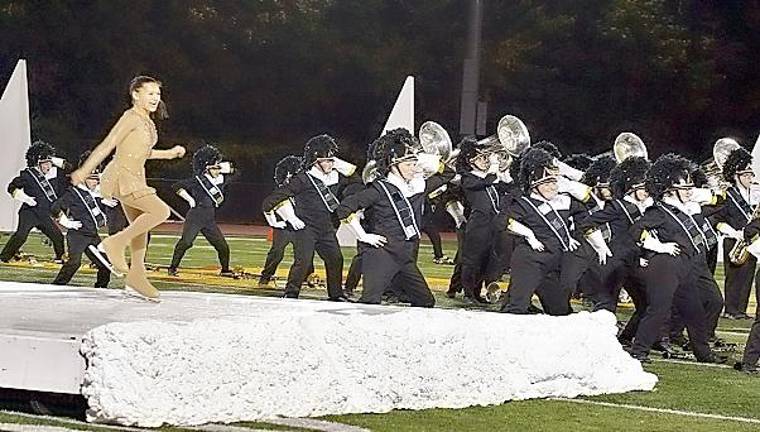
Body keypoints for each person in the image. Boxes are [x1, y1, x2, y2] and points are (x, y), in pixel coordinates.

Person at [71, 75, 186, 301]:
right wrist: (84, 171)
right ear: (135, 94)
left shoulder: (147, 121)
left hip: (136, 176)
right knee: (160, 212)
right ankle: (114, 243)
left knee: (141, 228)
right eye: (150, 93)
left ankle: (136, 279)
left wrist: (169, 153)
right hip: (122, 176)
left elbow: (142, 153)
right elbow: (108, 145)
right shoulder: (130, 117)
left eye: (158, 94)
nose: (155, 98)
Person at [336, 129, 454, 306]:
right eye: (409, 165)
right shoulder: (378, 189)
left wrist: (423, 160)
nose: (414, 169)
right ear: (392, 164)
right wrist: (363, 236)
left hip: (404, 256)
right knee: (370, 302)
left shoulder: (418, 187)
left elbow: (448, 174)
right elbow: (344, 209)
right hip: (382, 254)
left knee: (426, 301)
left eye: (415, 164)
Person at [628, 153, 725, 364]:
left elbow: (721, 202)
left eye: (690, 188)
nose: (690, 192)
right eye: (685, 189)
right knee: (659, 308)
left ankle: (703, 353)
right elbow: (636, 230)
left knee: (694, 309)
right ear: (669, 189)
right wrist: (659, 246)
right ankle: (638, 350)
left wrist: (703, 192)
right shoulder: (659, 211)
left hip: (687, 266)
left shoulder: (690, 208)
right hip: (665, 266)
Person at [261, 134, 360, 300]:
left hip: (326, 229)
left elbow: (359, 183)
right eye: (326, 160)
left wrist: (344, 166)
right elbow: (271, 200)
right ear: (315, 161)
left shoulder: (335, 177)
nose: (330, 164)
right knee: (303, 262)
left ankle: (335, 294)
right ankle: (291, 293)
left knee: (336, 259)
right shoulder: (302, 180)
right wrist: (281, 219)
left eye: (332, 160)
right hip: (306, 229)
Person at [499, 148, 589, 315]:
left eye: (554, 182)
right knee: (516, 308)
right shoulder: (523, 202)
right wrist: (529, 235)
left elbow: (587, 207)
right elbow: (503, 222)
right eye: (546, 183)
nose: (552, 187)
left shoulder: (564, 201)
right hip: (530, 261)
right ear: (534, 185)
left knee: (560, 311)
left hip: (555, 263)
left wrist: (571, 234)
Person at [168, 144, 234, 277]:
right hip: (195, 217)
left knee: (223, 246)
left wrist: (219, 167)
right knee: (186, 242)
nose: (218, 170)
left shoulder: (220, 180)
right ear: (206, 169)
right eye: (215, 167)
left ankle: (225, 270)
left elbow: (235, 171)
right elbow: (176, 186)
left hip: (209, 219)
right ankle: (172, 268)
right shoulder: (198, 181)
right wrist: (189, 199)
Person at [51, 152, 111, 288]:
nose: (95, 182)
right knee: (74, 263)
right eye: (92, 179)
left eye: (96, 179)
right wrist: (66, 222)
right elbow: (55, 207)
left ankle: (101, 289)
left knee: (105, 264)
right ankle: (56, 286)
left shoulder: (95, 194)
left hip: (92, 235)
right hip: (77, 235)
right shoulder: (73, 193)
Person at [0, 140, 66, 263]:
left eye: (50, 164)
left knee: (57, 236)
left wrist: (50, 158)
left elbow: (69, 168)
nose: (49, 166)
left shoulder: (52, 176)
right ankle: (4, 257)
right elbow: (11, 187)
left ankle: (60, 258)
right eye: (45, 164)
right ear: (37, 163)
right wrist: (24, 198)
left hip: (43, 214)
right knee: (21, 236)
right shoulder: (28, 175)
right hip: (29, 213)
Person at [712, 147, 757, 320]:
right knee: (734, 276)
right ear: (736, 176)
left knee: (747, 275)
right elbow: (717, 220)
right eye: (746, 175)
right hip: (733, 239)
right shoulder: (727, 195)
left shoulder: (753, 196)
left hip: (750, 240)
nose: (750, 178)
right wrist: (733, 232)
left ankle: (741, 309)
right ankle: (731, 309)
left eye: (751, 175)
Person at [259, 155, 315, 288]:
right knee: (277, 252)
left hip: (301, 227)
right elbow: (268, 206)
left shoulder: (303, 187)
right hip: (284, 227)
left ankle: (307, 276)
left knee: (306, 253)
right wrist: (273, 223)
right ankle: (265, 277)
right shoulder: (281, 190)